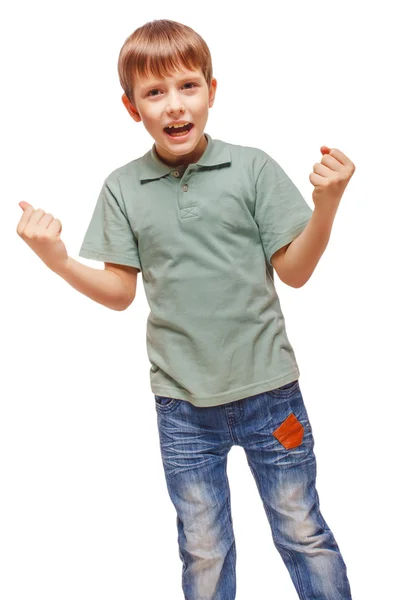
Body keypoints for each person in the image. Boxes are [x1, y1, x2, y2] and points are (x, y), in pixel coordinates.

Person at [16, 18, 356, 600]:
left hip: (273, 398)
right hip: (182, 409)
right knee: (204, 549)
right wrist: (56, 259)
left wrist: (328, 203)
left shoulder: (250, 168)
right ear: (132, 108)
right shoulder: (123, 188)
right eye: (154, 93)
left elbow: (296, 272)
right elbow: (120, 293)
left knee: (303, 531)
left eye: (187, 86)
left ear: (212, 90)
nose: (174, 105)